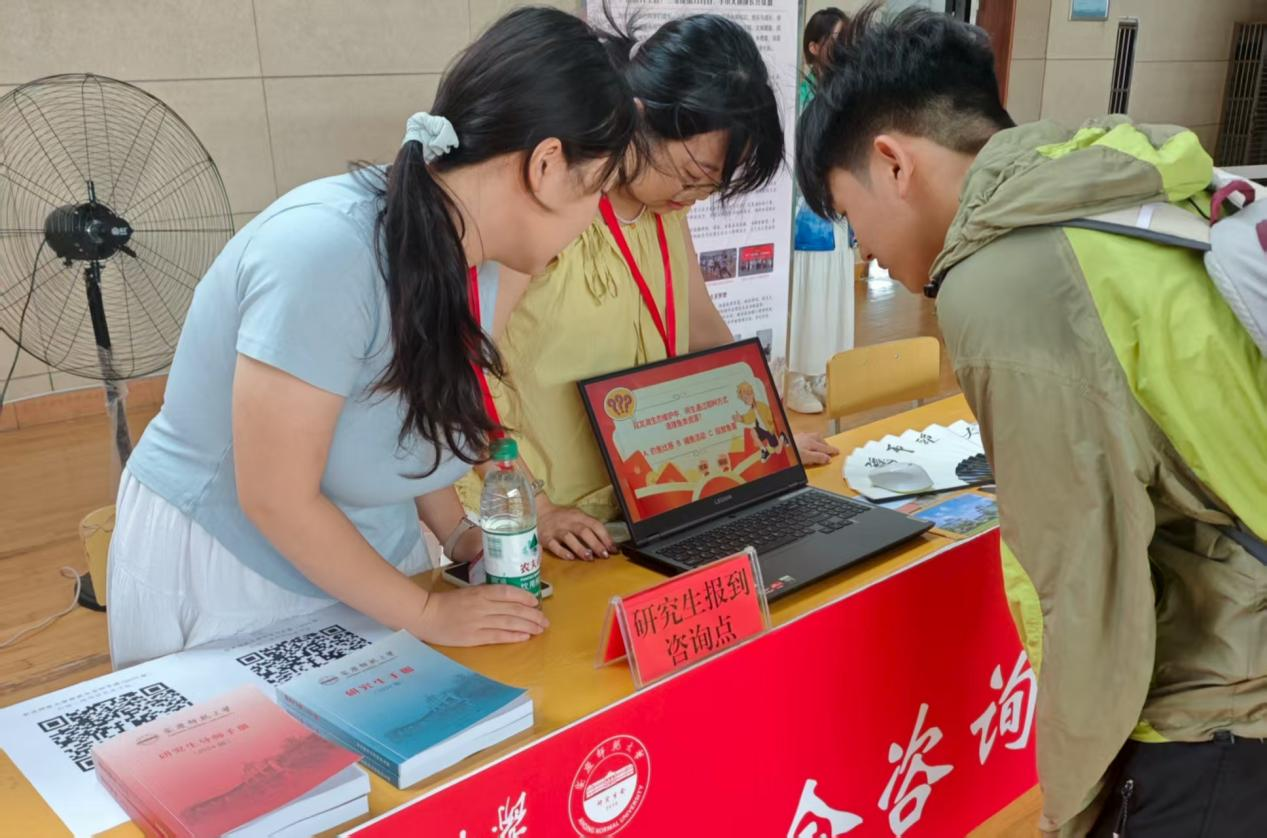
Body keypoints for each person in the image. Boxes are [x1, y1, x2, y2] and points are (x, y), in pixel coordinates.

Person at [798, 5, 1267, 836]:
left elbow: (1085, 592)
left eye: (848, 212)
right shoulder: (1114, 194)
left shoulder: (1005, 280)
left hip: (1218, 708)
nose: (863, 246)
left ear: (892, 162)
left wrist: (1070, 811)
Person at [106, 8, 640, 668]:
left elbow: (404, 418)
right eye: (599, 189)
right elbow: (275, 497)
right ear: (547, 165)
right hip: (232, 562)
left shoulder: (487, 261)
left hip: (367, 549)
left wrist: (458, 534)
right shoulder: (323, 252)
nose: (595, 219)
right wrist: (426, 612)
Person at [464, 13, 839, 562]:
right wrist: (536, 507)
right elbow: (463, 367)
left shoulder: (665, 210)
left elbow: (705, 332)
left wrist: (769, 438)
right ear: (638, 119)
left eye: (712, 185)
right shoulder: (555, 207)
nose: (694, 196)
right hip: (537, 508)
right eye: (690, 174)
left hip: (640, 499)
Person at [787, 7, 855, 415]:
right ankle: (796, 376)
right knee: (809, 292)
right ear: (813, 47)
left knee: (834, 290)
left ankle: (823, 373)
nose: (845, 46)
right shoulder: (800, 95)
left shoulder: (847, 90)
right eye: (836, 39)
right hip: (808, 211)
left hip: (841, 209)